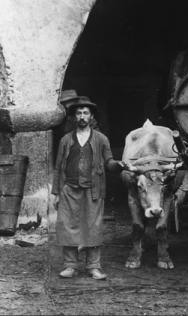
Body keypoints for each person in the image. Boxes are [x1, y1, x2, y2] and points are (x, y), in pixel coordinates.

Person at [52, 95, 126, 280]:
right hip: (69, 189)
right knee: (68, 226)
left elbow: (108, 162)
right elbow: (59, 166)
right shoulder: (65, 140)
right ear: (74, 117)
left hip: (93, 190)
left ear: (92, 116)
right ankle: (70, 266)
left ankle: (94, 266)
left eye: (86, 113)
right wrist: (56, 192)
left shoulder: (101, 139)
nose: (82, 116)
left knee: (93, 227)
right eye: (79, 113)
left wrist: (117, 165)